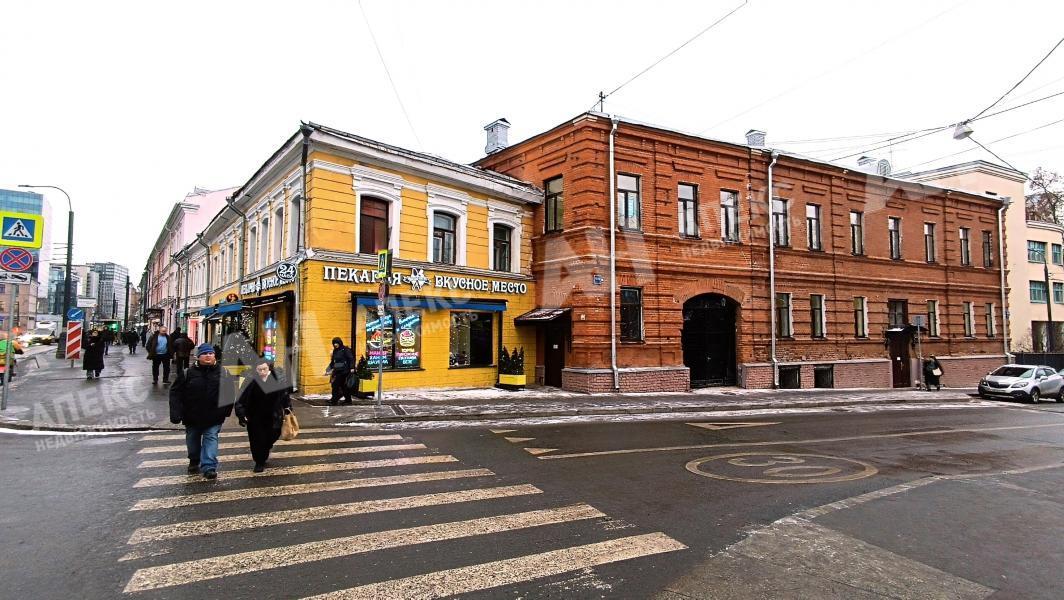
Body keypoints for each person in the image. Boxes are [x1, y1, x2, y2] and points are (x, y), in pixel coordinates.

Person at [169, 343, 233, 480]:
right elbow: (175, 393)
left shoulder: (224, 373)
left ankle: (209, 467)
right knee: (192, 440)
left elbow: (229, 392)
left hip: (214, 416)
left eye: (210, 353)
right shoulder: (188, 373)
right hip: (191, 416)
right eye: (204, 354)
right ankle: (194, 459)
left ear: (214, 355)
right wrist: (175, 413)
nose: (208, 356)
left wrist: (225, 411)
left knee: (211, 437)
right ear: (198, 357)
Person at [235, 358, 292, 472]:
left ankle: (266, 447)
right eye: (259, 370)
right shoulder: (250, 381)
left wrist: (288, 408)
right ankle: (259, 461)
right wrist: (241, 414)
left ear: (269, 368)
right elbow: (241, 399)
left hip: (273, 416)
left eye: (264, 369)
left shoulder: (277, 379)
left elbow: (284, 395)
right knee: (256, 440)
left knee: (272, 435)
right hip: (255, 416)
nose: (262, 372)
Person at [325, 337, 354, 405]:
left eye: (336, 343)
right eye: (334, 343)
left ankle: (335, 401)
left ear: (340, 343)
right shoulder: (335, 351)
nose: (335, 344)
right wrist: (327, 370)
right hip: (337, 370)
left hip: (345, 371)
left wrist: (352, 367)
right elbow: (333, 362)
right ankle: (346, 400)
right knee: (339, 386)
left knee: (338, 386)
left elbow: (351, 358)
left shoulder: (345, 349)